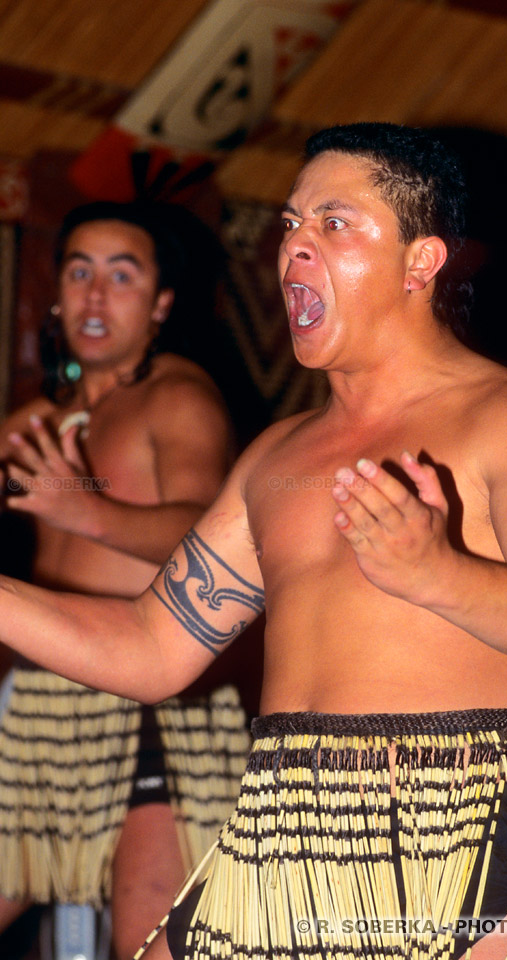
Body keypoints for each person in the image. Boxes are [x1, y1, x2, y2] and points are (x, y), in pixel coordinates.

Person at [0, 126, 507, 960]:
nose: (296, 248)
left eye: (335, 223)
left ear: (421, 261)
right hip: (281, 826)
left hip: (454, 831)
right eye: (291, 224)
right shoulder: (277, 457)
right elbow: (150, 647)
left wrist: (439, 573)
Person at [0, 202, 250, 960]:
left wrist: (88, 513)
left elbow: (216, 534)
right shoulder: (42, 417)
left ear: (161, 303)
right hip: (48, 701)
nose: (95, 296)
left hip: (158, 701)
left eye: (121, 275)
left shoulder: (179, 397)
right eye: (79, 272)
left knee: (155, 942)